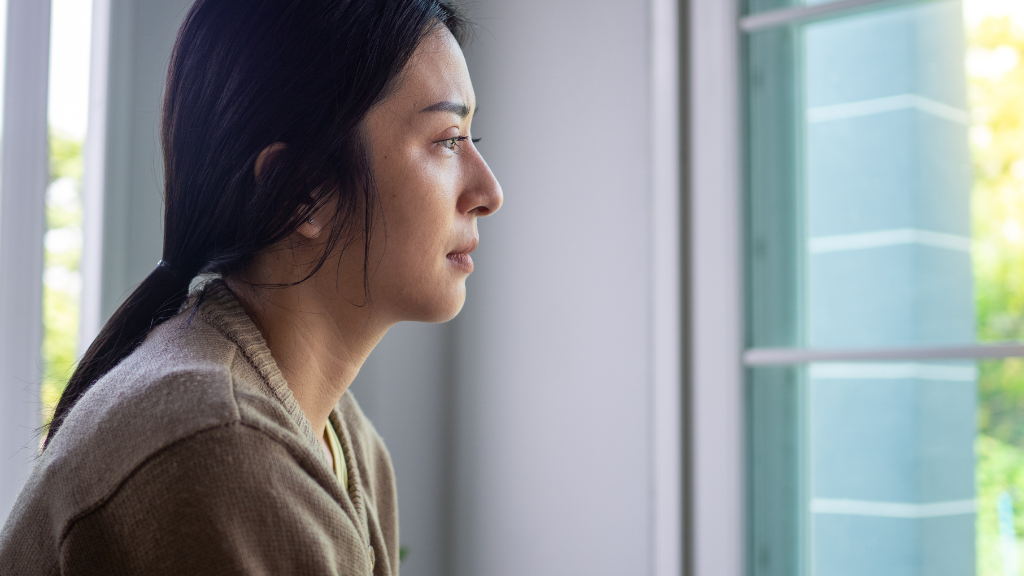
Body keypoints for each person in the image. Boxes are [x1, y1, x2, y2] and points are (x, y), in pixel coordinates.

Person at [0, 0, 501, 573]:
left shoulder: (347, 441)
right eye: (447, 139)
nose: (488, 191)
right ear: (300, 195)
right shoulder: (217, 446)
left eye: (470, 137)